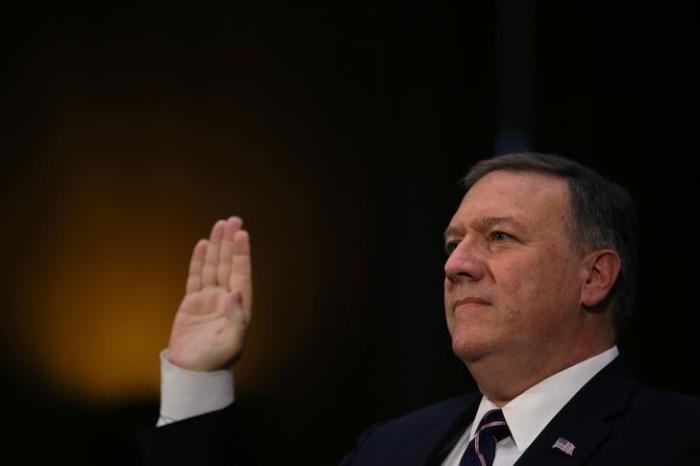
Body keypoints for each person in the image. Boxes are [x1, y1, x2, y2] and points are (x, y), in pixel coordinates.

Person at [138, 152, 700, 465]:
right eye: (453, 243)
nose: (457, 265)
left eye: (499, 237)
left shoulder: (675, 438)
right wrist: (199, 381)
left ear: (594, 276)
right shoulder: (391, 447)